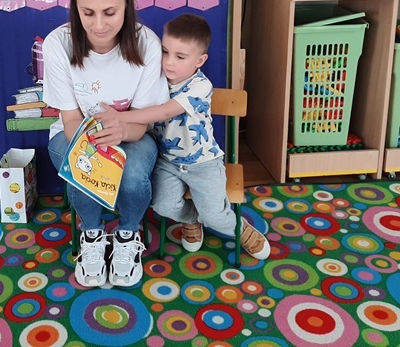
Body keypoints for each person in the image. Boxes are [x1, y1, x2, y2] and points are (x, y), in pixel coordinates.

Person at [95, 13, 271, 259]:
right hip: (168, 162)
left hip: (203, 163)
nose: (168, 62)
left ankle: (239, 229)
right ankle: (192, 219)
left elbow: (164, 111)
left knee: (215, 216)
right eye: (165, 52)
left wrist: (121, 117)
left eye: (180, 57)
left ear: (200, 60)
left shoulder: (200, 86)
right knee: (162, 205)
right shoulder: (154, 80)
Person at [43, 0, 169, 288]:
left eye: (110, 12)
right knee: (81, 166)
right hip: (76, 133)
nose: (99, 25)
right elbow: (71, 118)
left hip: (133, 132)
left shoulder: (147, 43)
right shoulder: (58, 44)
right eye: (88, 13)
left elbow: (142, 122)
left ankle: (128, 234)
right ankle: (92, 234)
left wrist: (122, 129)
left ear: (127, 6)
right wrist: (94, 146)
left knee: (131, 175)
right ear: (75, 9)